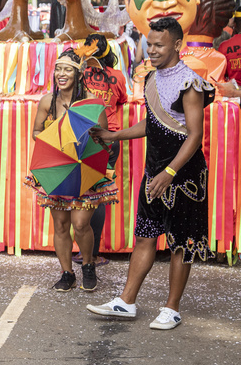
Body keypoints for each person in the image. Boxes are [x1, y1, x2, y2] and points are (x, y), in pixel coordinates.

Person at [88, 17, 215, 330]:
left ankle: (171, 308)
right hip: (154, 172)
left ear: (176, 45)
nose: (152, 50)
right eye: (150, 44)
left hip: (183, 177)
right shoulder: (150, 79)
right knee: (144, 236)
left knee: (180, 243)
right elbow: (153, 123)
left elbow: (194, 135)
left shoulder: (190, 83)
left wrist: (170, 172)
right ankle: (126, 301)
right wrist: (114, 136)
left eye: (159, 45)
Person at [27, 47, 117, 292]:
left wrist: (84, 139)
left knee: (80, 224)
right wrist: (54, 139)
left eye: (67, 69)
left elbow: (103, 138)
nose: (61, 74)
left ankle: (88, 265)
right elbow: (35, 132)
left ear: (78, 74)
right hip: (58, 167)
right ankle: (67, 273)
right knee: (60, 225)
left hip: (84, 169)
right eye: (58, 69)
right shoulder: (47, 101)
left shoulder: (92, 103)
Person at [76, 33, 128, 266]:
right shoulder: (117, 76)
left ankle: (85, 252)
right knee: (99, 195)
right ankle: (93, 254)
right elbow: (122, 100)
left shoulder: (80, 75)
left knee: (83, 193)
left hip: (85, 137)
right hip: (110, 138)